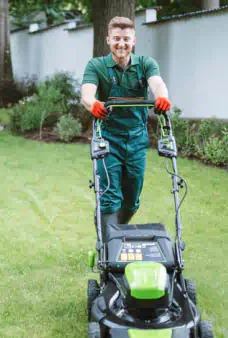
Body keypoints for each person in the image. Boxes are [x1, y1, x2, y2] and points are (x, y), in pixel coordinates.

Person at [80, 16, 171, 230]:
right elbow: (87, 93)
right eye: (116, 39)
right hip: (108, 139)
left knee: (131, 200)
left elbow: (157, 84)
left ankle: (114, 234)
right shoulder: (96, 65)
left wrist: (162, 97)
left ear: (134, 40)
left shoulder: (146, 64)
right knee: (110, 194)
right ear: (108, 40)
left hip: (137, 139)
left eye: (126, 39)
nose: (121, 44)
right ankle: (109, 244)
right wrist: (93, 104)